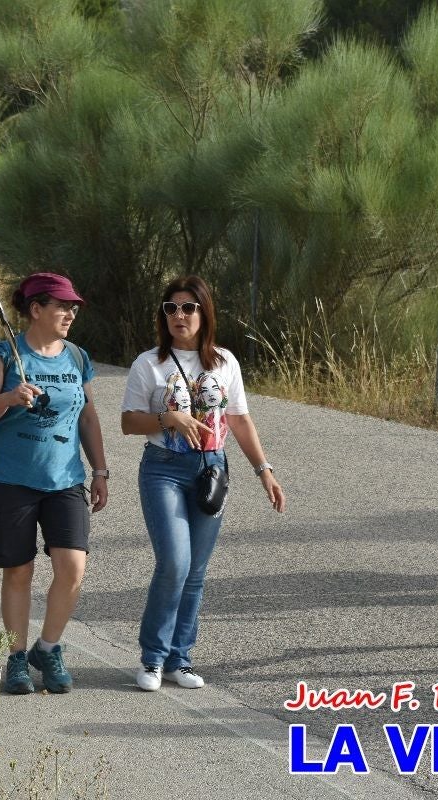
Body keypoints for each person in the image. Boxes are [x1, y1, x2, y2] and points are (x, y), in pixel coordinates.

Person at [121, 275, 286, 691]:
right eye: (171, 308)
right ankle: (153, 659)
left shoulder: (225, 362)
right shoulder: (149, 364)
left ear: (204, 313)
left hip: (211, 470)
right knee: (174, 562)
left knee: (196, 570)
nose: (179, 315)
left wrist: (263, 469)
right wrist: (167, 418)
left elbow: (239, 419)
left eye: (188, 307)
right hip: (163, 467)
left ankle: (181, 659)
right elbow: (127, 422)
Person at [0, 273, 109, 694]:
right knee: (19, 570)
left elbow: (87, 415)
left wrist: (100, 470)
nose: (70, 313)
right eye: (62, 306)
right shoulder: (4, 357)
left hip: (65, 479)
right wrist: (9, 398)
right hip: (14, 480)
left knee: (73, 568)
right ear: (35, 309)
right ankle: (15, 657)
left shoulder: (78, 357)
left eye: (73, 307)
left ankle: (47, 648)